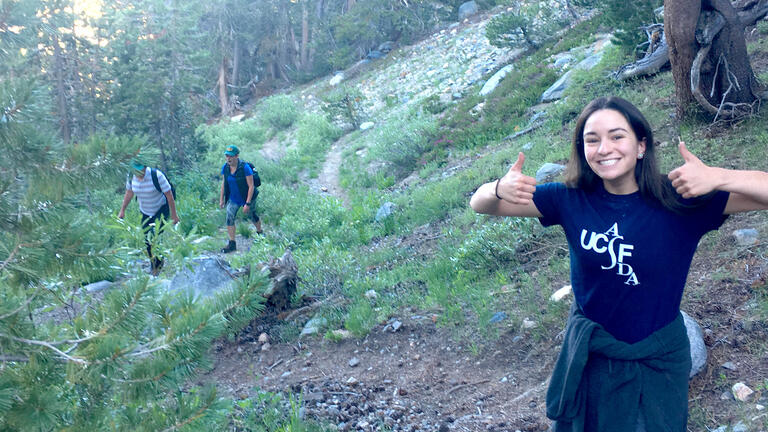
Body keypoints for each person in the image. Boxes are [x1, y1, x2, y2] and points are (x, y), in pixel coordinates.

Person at [470, 96, 768, 431]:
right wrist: (497, 188)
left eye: (617, 136)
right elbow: (481, 204)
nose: (604, 148)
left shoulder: (680, 198)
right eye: (592, 140)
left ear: (641, 145)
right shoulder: (568, 199)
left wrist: (718, 177)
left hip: (656, 357)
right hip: (592, 355)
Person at [118, 160, 180, 275]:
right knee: (147, 239)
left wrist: (174, 215)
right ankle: (153, 265)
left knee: (156, 236)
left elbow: (169, 195)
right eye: (136, 170)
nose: (139, 172)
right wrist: (122, 210)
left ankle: (159, 265)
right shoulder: (131, 176)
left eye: (140, 169)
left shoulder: (157, 175)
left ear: (145, 167)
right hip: (145, 211)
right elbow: (129, 192)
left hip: (160, 208)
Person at [219, 144, 263, 253]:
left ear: (237, 156)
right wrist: (222, 199)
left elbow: (251, 186)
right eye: (227, 156)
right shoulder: (225, 168)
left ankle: (260, 233)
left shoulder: (245, 168)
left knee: (251, 215)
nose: (228, 158)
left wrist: (247, 204)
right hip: (234, 199)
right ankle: (232, 243)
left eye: (231, 156)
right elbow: (224, 183)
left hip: (247, 197)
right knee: (229, 217)